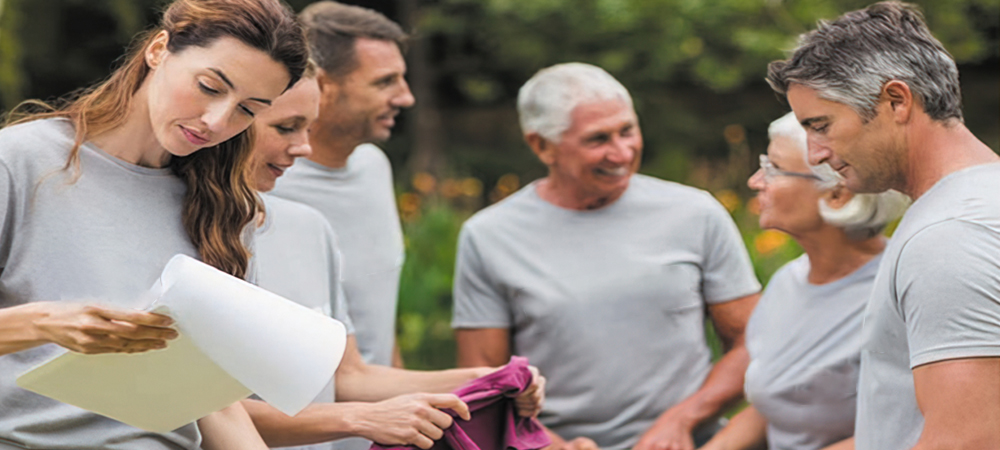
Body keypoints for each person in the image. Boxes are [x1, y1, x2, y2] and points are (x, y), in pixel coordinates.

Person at [0, 0, 308, 448]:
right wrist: (46, 323)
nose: (217, 121)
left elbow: (215, 403)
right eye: (209, 86)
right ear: (159, 49)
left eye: (248, 109)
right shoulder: (21, 162)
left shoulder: (225, 210)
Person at [452, 62, 762, 450]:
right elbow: (483, 382)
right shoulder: (489, 236)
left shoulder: (696, 213)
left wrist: (682, 420)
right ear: (541, 145)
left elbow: (754, 339)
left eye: (628, 130)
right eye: (598, 139)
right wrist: (553, 445)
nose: (622, 152)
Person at [243, 68, 545, 450]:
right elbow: (205, 414)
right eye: (286, 127)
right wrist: (363, 419)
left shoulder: (309, 229)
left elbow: (349, 377)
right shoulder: (184, 235)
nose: (304, 147)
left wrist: (491, 378)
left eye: (308, 127)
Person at [767, 2, 1000, 449]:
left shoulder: (949, 237)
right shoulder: (977, 204)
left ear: (897, 100)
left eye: (821, 125)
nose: (814, 153)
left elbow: (967, 440)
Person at [698, 112, 908, 450]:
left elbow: (907, 431)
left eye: (774, 169)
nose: (755, 181)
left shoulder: (898, 290)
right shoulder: (787, 282)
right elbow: (774, 405)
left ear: (838, 193)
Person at [271, 1, 413, 375]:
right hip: (294, 430)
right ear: (322, 86)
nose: (405, 97)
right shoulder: (267, 184)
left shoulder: (373, 167)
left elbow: (380, 322)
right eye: (385, 82)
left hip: (381, 426)